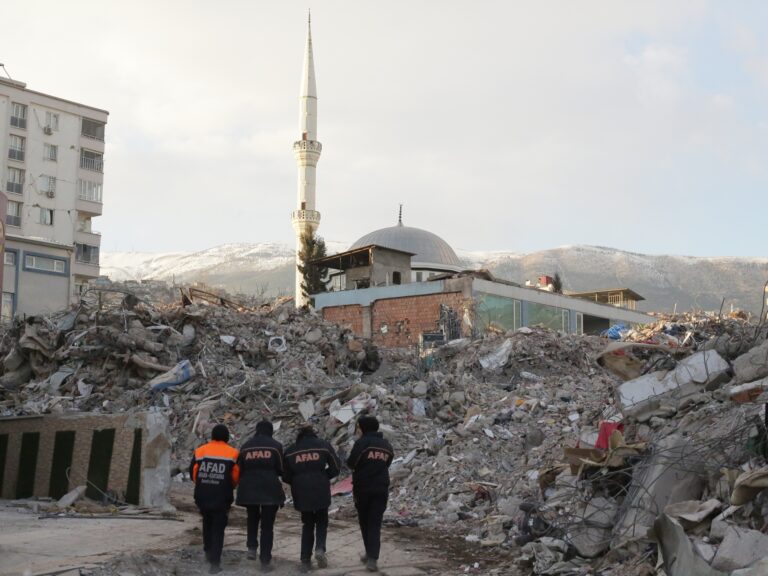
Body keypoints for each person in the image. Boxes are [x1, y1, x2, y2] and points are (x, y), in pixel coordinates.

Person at [283, 424, 340, 573]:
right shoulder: (323, 446)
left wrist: (297, 481)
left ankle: (305, 560)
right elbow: (336, 467)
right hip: (320, 487)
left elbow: (285, 475)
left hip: (301, 491)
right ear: (313, 434)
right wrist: (323, 476)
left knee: (307, 523)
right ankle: (320, 548)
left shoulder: (290, 451)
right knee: (322, 520)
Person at [190, 424, 240, 574]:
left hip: (202, 495)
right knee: (218, 528)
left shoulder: (200, 451)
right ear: (226, 437)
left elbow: (194, 473)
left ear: (212, 436)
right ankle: (215, 563)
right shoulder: (232, 453)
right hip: (221, 496)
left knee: (207, 522)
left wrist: (204, 483)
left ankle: (207, 550)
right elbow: (235, 477)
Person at [347, 415, 394, 572]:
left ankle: (371, 556)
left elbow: (351, 463)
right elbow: (388, 462)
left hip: (363, 488)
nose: (358, 430)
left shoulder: (362, 443)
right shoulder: (386, 445)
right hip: (381, 488)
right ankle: (371, 556)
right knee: (375, 522)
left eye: (359, 427)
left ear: (364, 428)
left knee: (365, 521)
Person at [236, 420, 285, 573]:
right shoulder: (276, 446)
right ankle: (265, 561)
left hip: (249, 488)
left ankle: (251, 547)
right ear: (270, 431)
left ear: (257, 430)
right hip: (270, 489)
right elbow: (281, 469)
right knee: (267, 526)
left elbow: (240, 469)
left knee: (252, 517)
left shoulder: (245, 446)